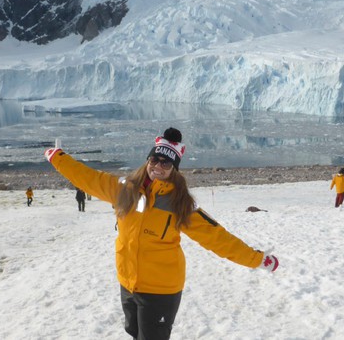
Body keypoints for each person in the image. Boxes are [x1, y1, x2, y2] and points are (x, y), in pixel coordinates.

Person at [44, 127, 279, 340]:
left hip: (160, 291)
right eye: (154, 159)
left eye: (166, 163)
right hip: (128, 284)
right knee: (135, 334)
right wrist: (59, 159)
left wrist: (256, 259)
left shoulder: (180, 204)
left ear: (174, 169)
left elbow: (217, 238)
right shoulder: (124, 190)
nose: (157, 166)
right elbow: (88, 178)